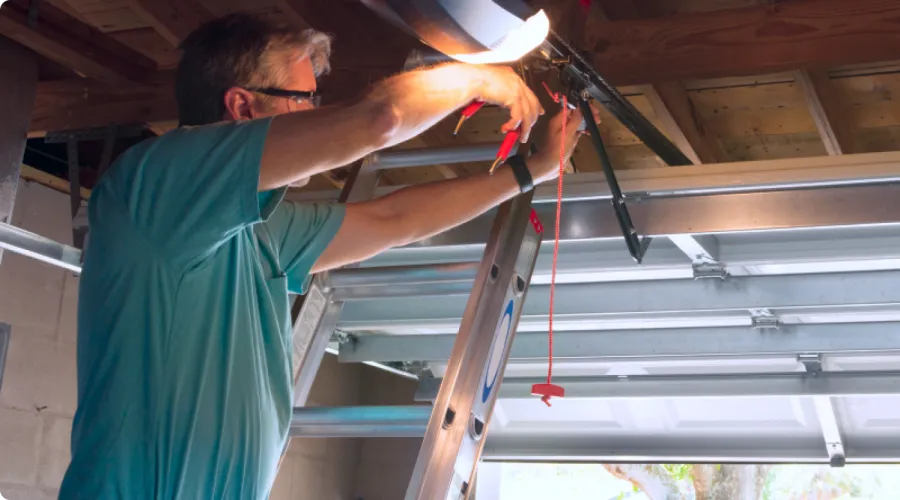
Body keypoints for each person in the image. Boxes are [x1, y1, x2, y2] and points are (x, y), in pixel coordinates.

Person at [60, 12, 589, 500]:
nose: (315, 113)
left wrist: (531, 172)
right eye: (304, 99)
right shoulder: (159, 185)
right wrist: (479, 76)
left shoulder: (259, 228)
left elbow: (391, 221)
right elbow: (379, 119)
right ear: (243, 105)